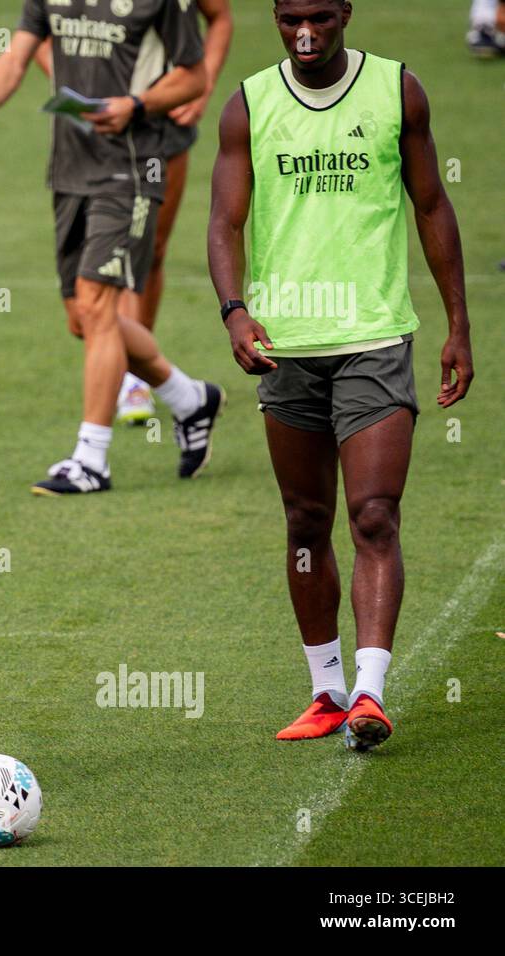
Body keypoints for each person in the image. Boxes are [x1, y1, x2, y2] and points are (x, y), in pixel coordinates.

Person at [208, 0, 474, 750]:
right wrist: (235, 311)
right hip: (287, 345)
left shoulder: (397, 90)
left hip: (375, 337)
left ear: (345, 12)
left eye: (320, 16)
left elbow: (431, 203)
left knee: (373, 515)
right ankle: (324, 689)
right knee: (304, 522)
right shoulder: (249, 104)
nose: (305, 31)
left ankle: (369, 691)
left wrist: (458, 324)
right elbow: (226, 219)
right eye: (290, 16)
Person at [0, 0, 226, 495]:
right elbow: (15, 57)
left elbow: (194, 76)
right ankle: (190, 399)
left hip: (134, 167)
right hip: (70, 168)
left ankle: (91, 459)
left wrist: (136, 105)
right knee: (84, 318)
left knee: (98, 304)